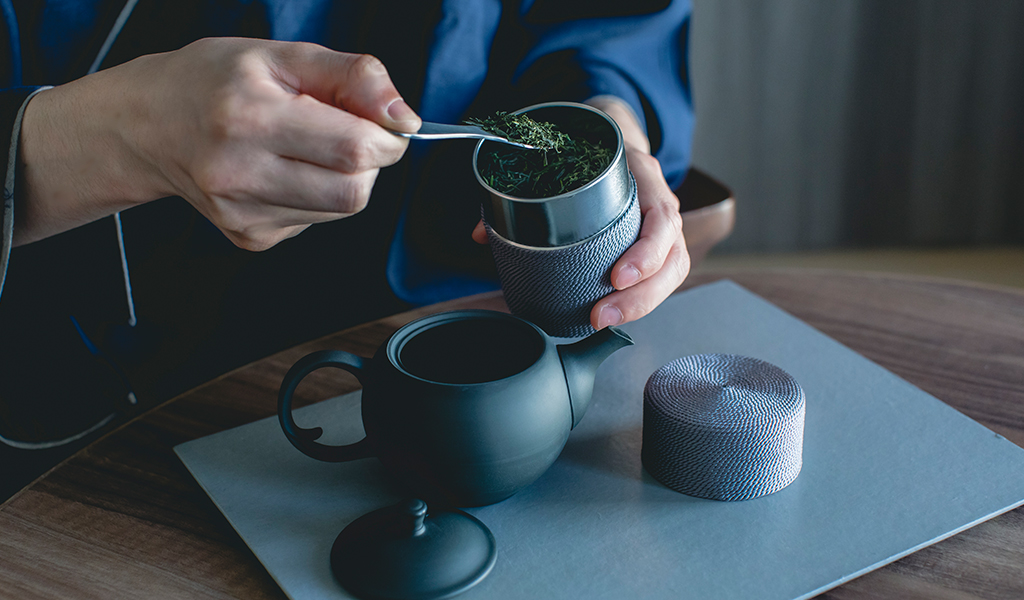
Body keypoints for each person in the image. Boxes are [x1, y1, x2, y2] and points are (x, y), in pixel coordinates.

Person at [0, 1, 694, 466]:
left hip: (465, 312)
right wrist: (120, 134)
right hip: (103, 396)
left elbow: (608, 19)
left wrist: (602, 110)